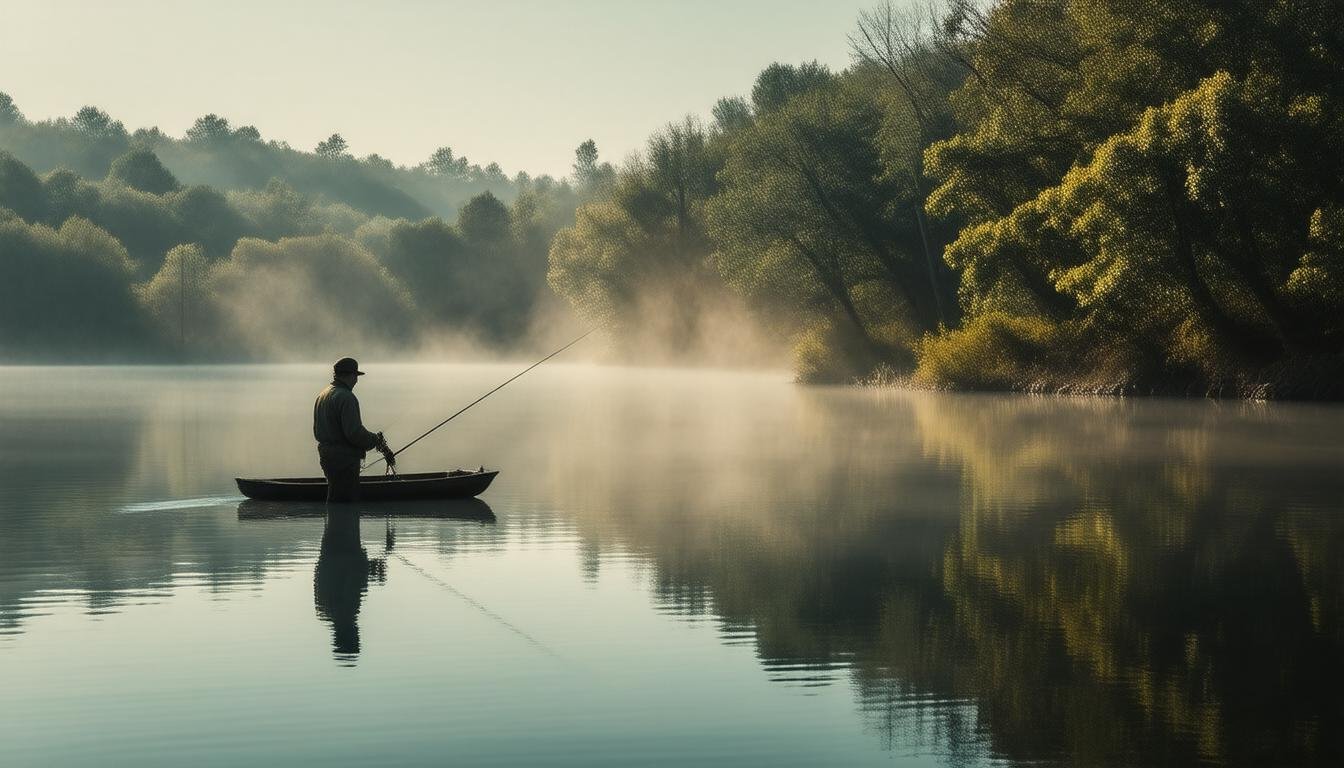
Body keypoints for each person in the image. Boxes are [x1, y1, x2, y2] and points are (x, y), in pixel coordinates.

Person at [313, 357, 395, 502]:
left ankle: (335, 524)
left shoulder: (323, 394)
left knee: (334, 498)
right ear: (350, 375)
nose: (356, 381)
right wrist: (375, 440)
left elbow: (317, 430)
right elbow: (354, 433)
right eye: (356, 376)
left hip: (327, 457)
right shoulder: (346, 397)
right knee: (345, 502)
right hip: (344, 461)